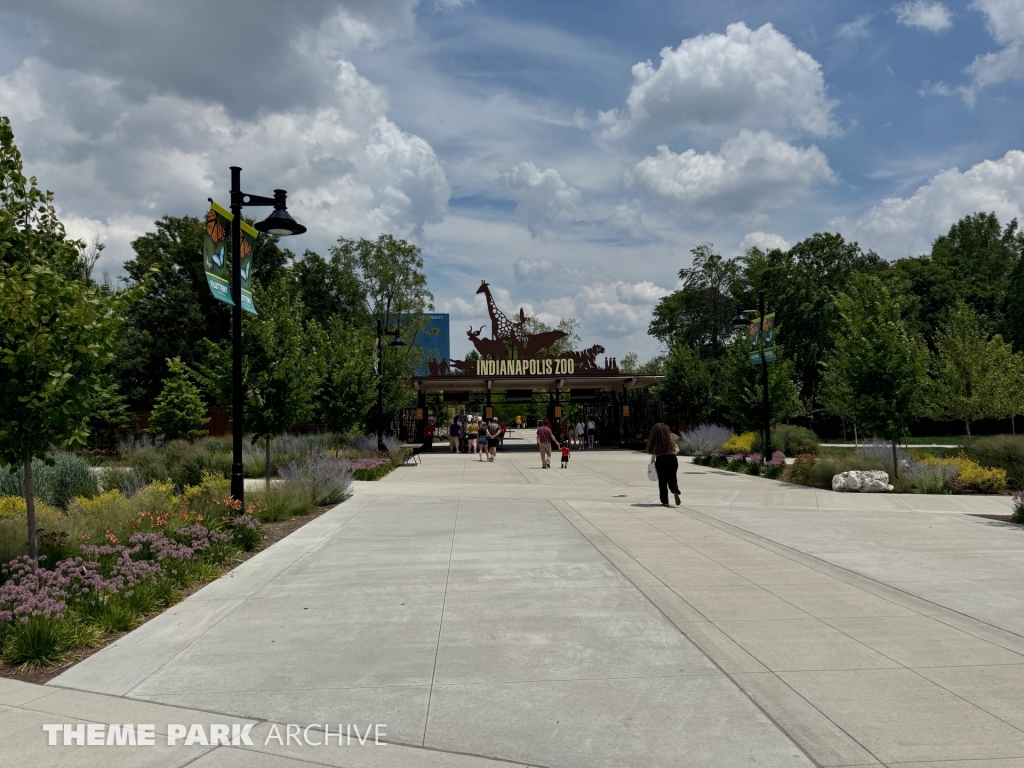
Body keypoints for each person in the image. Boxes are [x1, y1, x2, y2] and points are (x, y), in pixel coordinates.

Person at [647, 422, 681, 507]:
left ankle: (665, 501)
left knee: (662, 481)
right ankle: (675, 490)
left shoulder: (656, 439)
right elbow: (678, 437)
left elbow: (653, 451)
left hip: (661, 459)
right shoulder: (672, 436)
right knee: (672, 477)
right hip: (672, 458)